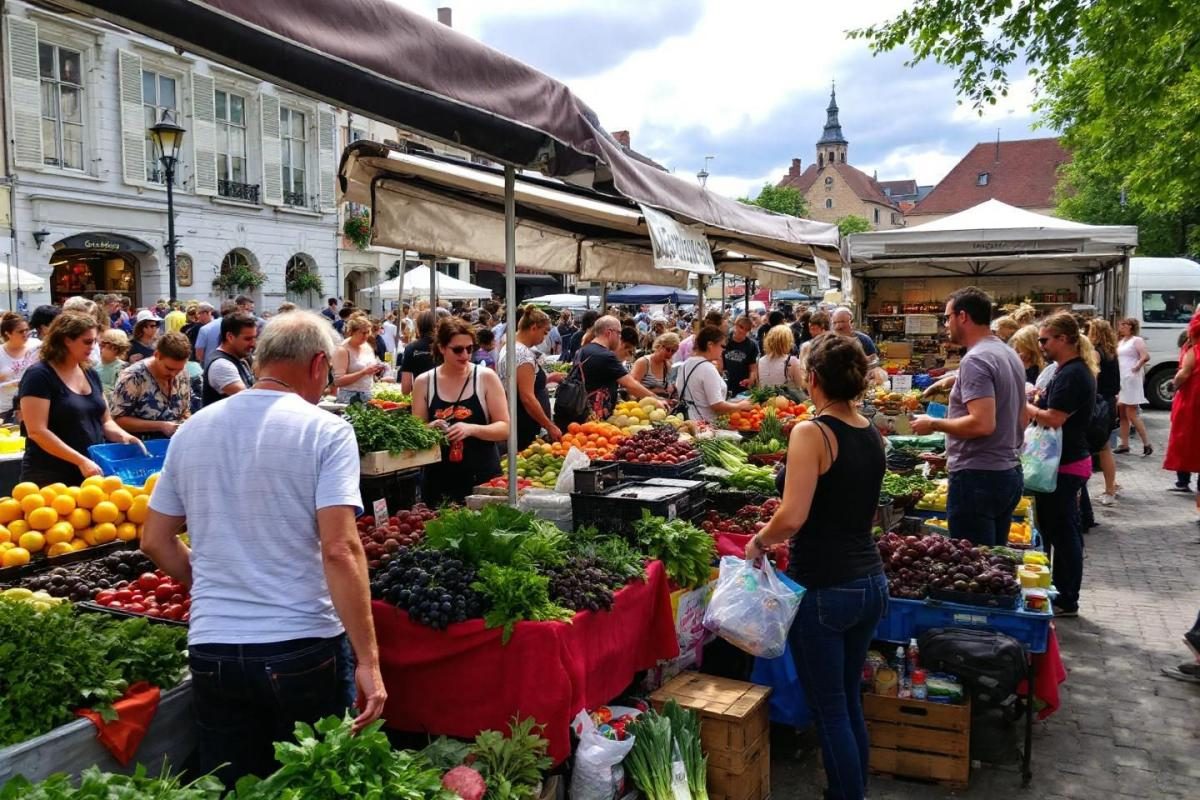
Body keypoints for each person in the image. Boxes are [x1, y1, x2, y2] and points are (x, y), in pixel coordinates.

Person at [140, 311, 385, 787]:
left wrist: (212, 583)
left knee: (234, 785)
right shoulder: (326, 430)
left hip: (213, 646)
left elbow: (155, 539)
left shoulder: (193, 428)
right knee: (314, 784)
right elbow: (340, 549)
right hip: (301, 643)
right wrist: (369, 661)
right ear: (318, 364)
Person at [745, 333, 887, 800]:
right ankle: (853, 790)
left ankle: (847, 794)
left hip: (827, 587)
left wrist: (759, 541)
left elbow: (793, 516)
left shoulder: (812, 432)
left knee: (830, 709)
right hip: (869, 581)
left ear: (814, 379)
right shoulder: (869, 430)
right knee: (846, 701)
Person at [911, 288, 1027, 546]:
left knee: (972, 561)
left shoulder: (976, 359)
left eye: (947, 317)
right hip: (1007, 471)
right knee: (994, 561)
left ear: (962, 316)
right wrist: (952, 380)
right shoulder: (1007, 353)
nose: (945, 325)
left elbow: (982, 424)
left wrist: (933, 424)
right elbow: (1020, 415)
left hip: (977, 478)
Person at [1025, 312, 1097, 618]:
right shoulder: (1069, 371)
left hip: (1064, 464)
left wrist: (1025, 405)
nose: (1041, 345)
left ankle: (1067, 598)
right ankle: (1061, 591)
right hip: (1066, 461)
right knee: (1061, 529)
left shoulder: (1072, 374)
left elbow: (1054, 419)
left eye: (1045, 340)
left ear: (1063, 339)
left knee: (1063, 531)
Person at [18, 312, 140, 485]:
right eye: (87, 342)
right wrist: (80, 460)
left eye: (95, 341)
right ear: (66, 340)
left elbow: (105, 421)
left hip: (91, 472)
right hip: (50, 476)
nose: (93, 347)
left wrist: (125, 437)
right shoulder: (39, 375)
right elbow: (37, 431)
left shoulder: (90, 373)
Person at [412, 318, 510, 504]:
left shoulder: (486, 377)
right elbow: (415, 431)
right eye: (457, 350)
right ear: (442, 348)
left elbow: (505, 428)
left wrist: (471, 429)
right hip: (438, 478)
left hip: (481, 477)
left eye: (469, 349)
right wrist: (430, 428)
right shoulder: (424, 382)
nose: (465, 355)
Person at [555, 315, 665, 428]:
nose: (620, 337)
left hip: (576, 413)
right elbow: (630, 385)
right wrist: (656, 399)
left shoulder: (583, 350)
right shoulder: (606, 356)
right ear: (609, 332)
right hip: (591, 419)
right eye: (619, 333)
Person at [498, 306, 561, 451]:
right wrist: (549, 425)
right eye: (544, 332)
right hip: (524, 423)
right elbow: (527, 397)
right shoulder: (523, 355)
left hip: (516, 418)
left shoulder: (509, 346)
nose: (544, 338)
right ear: (533, 328)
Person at [110, 332, 192, 440]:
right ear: (157, 355)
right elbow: (117, 420)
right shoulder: (133, 377)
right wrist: (161, 426)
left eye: (179, 369)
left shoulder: (182, 373)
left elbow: (185, 410)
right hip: (140, 445)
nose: (174, 374)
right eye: (169, 368)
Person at [1163, 312, 1200, 521]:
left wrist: (1173, 385)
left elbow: (1184, 373)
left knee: (1185, 439)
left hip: (1192, 402)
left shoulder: (1194, 350)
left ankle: (1183, 481)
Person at [675, 326, 754, 423]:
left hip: (686, 421)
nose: (723, 350)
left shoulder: (685, 365)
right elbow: (717, 405)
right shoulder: (708, 368)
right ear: (710, 345)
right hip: (704, 424)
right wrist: (740, 406)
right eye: (722, 346)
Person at [1086, 319, 1121, 506]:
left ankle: (1110, 489)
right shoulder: (1112, 353)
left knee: (1102, 448)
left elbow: (1092, 380)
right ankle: (1111, 485)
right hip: (1110, 401)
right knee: (1105, 447)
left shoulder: (1096, 353)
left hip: (1100, 403)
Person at [1115, 317, 1153, 456]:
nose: (1121, 327)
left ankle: (1146, 443)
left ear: (1131, 326)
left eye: (1124, 325)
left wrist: (1137, 365)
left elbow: (1145, 356)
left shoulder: (1137, 340)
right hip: (1122, 377)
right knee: (1122, 413)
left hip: (1131, 377)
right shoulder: (1121, 341)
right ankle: (1124, 444)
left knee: (1131, 413)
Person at [203, 312, 257, 407]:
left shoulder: (241, 358)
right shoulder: (221, 365)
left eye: (254, 338)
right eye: (248, 339)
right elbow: (248, 400)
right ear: (230, 337)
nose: (253, 344)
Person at [331, 316, 385, 404]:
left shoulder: (367, 346)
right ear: (352, 332)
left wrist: (376, 371)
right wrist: (363, 372)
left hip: (368, 394)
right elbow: (338, 381)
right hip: (349, 398)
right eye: (363, 333)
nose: (366, 335)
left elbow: (369, 373)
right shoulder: (342, 350)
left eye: (368, 332)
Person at [0, 312, 41, 423]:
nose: (25, 334)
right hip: (6, 409)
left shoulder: (36, 346)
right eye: (20, 331)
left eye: (27, 330)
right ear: (8, 334)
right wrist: (9, 383)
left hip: (34, 404)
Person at [630, 332, 680, 398]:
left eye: (673, 351)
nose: (670, 353)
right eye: (668, 349)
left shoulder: (667, 365)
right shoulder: (643, 363)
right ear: (659, 346)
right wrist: (654, 392)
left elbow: (667, 389)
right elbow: (631, 389)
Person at [757, 325, 805, 393]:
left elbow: (760, 385)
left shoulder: (760, 361)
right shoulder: (792, 361)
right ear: (787, 342)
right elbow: (800, 385)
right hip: (787, 399)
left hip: (766, 398)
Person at [400, 311, 437, 394]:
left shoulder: (411, 348)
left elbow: (405, 389)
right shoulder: (445, 347)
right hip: (445, 396)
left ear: (418, 327)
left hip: (421, 395)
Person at [723, 315, 760, 395]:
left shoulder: (751, 345)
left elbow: (753, 369)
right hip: (725, 385)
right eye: (741, 327)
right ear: (735, 325)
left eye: (747, 329)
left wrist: (750, 380)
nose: (742, 331)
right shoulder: (725, 341)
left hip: (742, 387)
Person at [196, 300, 236, 365]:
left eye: (199, 313)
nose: (198, 316)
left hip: (211, 365)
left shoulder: (205, 329)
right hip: (233, 365)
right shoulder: (241, 327)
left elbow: (199, 355)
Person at [95, 329, 129, 403]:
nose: (100, 347)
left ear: (115, 349)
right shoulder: (94, 366)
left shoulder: (123, 368)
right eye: (100, 344)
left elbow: (120, 395)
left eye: (103, 345)